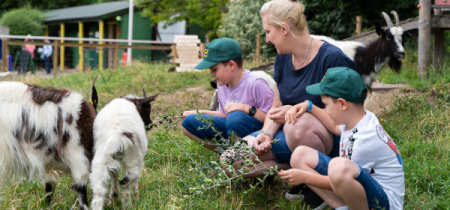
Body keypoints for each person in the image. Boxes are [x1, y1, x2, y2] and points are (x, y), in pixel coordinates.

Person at [219, 0, 357, 208]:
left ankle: (320, 188)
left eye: (267, 32)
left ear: (284, 29)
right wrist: (265, 134)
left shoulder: (333, 59)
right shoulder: (282, 59)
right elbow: (276, 106)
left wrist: (305, 108)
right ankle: (299, 172)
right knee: (229, 160)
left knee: (297, 125)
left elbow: (352, 118)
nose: (266, 40)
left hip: (330, 140)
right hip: (291, 136)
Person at [278, 67, 405, 210]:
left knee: (339, 167)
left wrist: (305, 177)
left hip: (384, 204)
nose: (324, 109)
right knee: (300, 155)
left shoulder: (363, 140)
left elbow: (340, 178)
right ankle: (343, 207)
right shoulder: (359, 118)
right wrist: (309, 106)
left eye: (325, 105)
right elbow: (334, 127)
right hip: (364, 188)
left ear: (343, 104)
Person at [181, 38, 274, 153]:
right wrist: (201, 113)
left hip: (257, 133)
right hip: (232, 126)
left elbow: (273, 120)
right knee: (188, 123)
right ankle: (228, 154)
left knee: (235, 118)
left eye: (214, 69)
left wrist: (247, 109)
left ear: (231, 65)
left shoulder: (256, 83)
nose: (211, 74)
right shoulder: (222, 85)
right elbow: (225, 114)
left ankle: (246, 157)